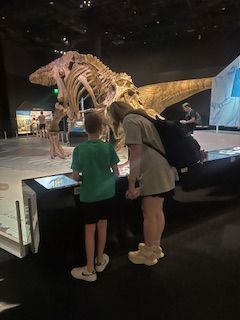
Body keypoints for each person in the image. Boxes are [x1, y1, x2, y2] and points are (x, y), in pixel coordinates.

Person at [108, 102, 176, 266]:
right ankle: (155, 247)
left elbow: (136, 152)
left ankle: (147, 254)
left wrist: (132, 183)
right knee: (157, 211)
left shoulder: (129, 120)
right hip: (162, 168)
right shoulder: (140, 117)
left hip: (153, 171)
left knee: (149, 212)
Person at [71, 110, 120, 282]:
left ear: (85, 128)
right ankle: (100, 260)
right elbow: (116, 173)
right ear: (101, 128)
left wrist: (87, 177)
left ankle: (90, 270)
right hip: (107, 195)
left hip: (89, 197)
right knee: (103, 227)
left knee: (89, 232)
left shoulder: (79, 149)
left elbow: (76, 176)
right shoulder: (108, 147)